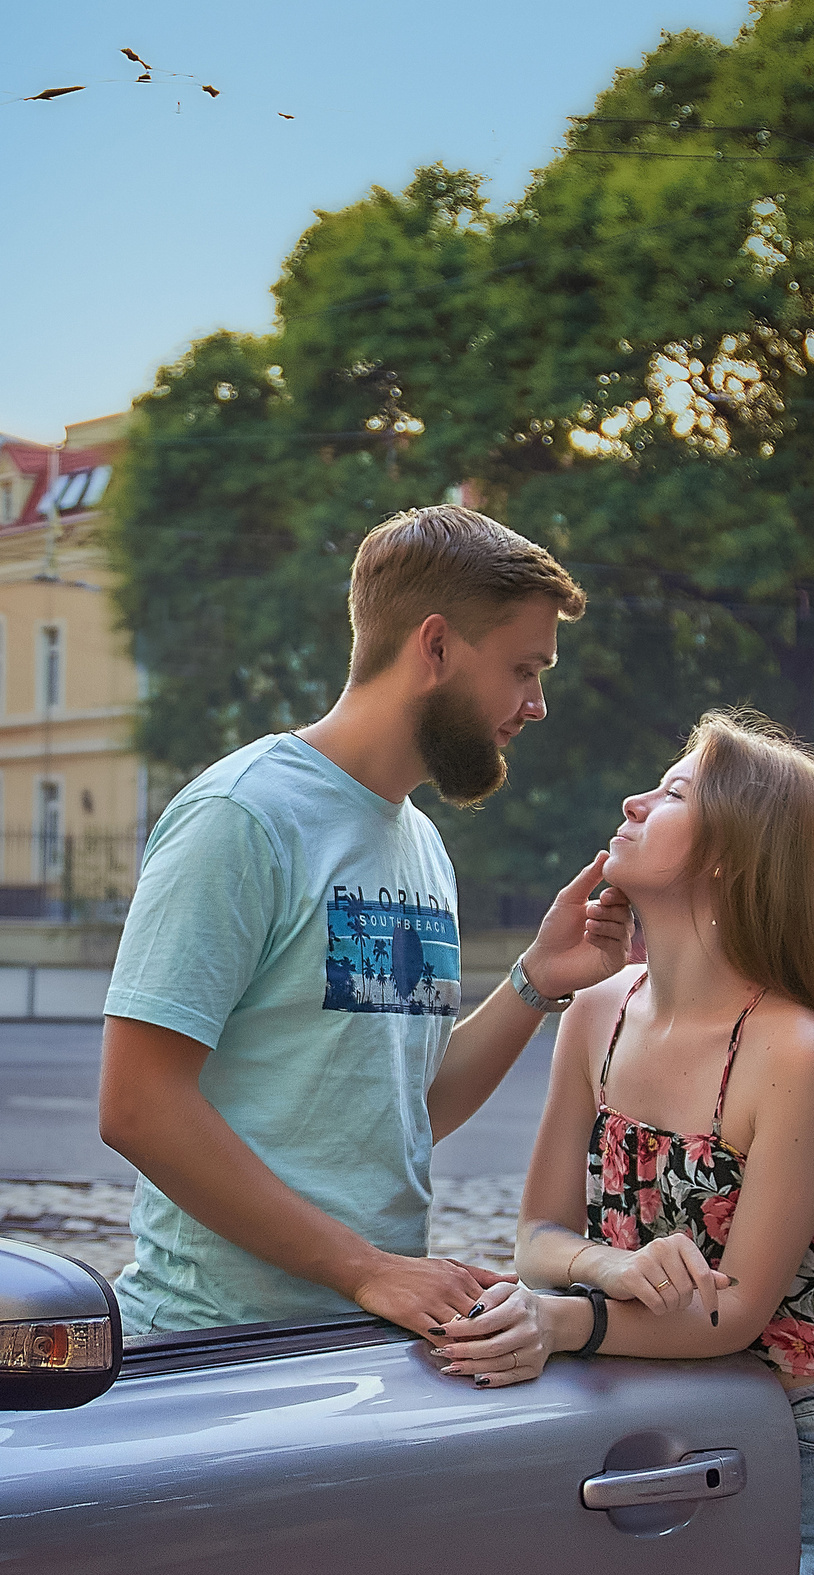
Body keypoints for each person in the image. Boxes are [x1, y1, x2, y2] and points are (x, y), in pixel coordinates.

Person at [433, 709, 814, 1575]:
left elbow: (732, 1312)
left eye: (672, 792)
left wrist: (563, 1322)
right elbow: (538, 1239)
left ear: (730, 856)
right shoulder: (596, 1012)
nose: (633, 801)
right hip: (692, 1444)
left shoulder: (796, 1052)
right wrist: (609, 1267)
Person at [97, 505, 624, 1339]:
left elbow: (405, 1111)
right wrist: (366, 1267)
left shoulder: (423, 846)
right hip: (207, 1347)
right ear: (436, 646)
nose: (537, 704)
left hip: (357, 1343)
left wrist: (535, 981)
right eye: (524, 668)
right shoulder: (243, 815)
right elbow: (137, 1105)